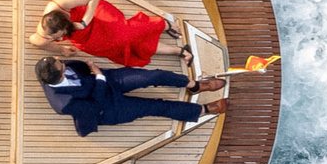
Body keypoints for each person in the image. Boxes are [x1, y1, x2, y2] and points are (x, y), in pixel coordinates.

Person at [35, 55, 223, 137]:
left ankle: (195, 85)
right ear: (60, 76)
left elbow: (75, 66)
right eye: (61, 65)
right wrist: (98, 76)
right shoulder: (63, 103)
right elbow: (95, 105)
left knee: (152, 76)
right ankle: (202, 111)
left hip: (107, 79)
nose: (61, 61)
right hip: (107, 109)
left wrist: (100, 76)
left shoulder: (50, 67)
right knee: (154, 106)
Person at [28, 0, 173, 68]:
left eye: (62, 34)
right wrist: (62, 50)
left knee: (125, 32)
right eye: (59, 37)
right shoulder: (44, 35)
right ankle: (163, 33)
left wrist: (84, 22)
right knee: (119, 43)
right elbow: (38, 43)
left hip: (93, 15)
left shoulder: (60, 5)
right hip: (84, 38)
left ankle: (162, 24)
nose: (60, 37)